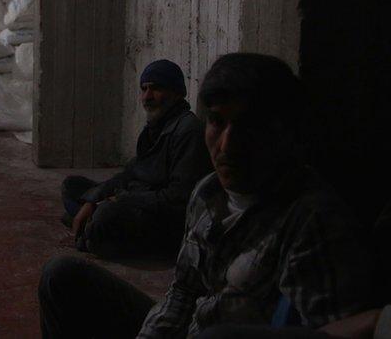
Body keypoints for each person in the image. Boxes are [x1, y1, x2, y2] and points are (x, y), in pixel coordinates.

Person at [39, 53, 376, 338]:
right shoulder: (208, 191)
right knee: (61, 275)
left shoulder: (312, 222)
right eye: (217, 121)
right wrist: (97, 197)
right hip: (191, 326)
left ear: (283, 133)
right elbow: (182, 293)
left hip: (165, 232)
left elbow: (331, 329)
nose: (227, 145)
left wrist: (116, 202)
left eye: (248, 127)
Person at [61, 59, 211, 258]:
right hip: (136, 198)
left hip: (162, 217)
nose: (147, 97)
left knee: (105, 215)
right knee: (72, 187)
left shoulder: (188, 131)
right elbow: (130, 173)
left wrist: (120, 199)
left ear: (176, 93)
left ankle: (92, 231)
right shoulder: (155, 126)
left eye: (156, 88)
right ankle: (92, 227)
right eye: (144, 89)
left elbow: (177, 199)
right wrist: (93, 200)